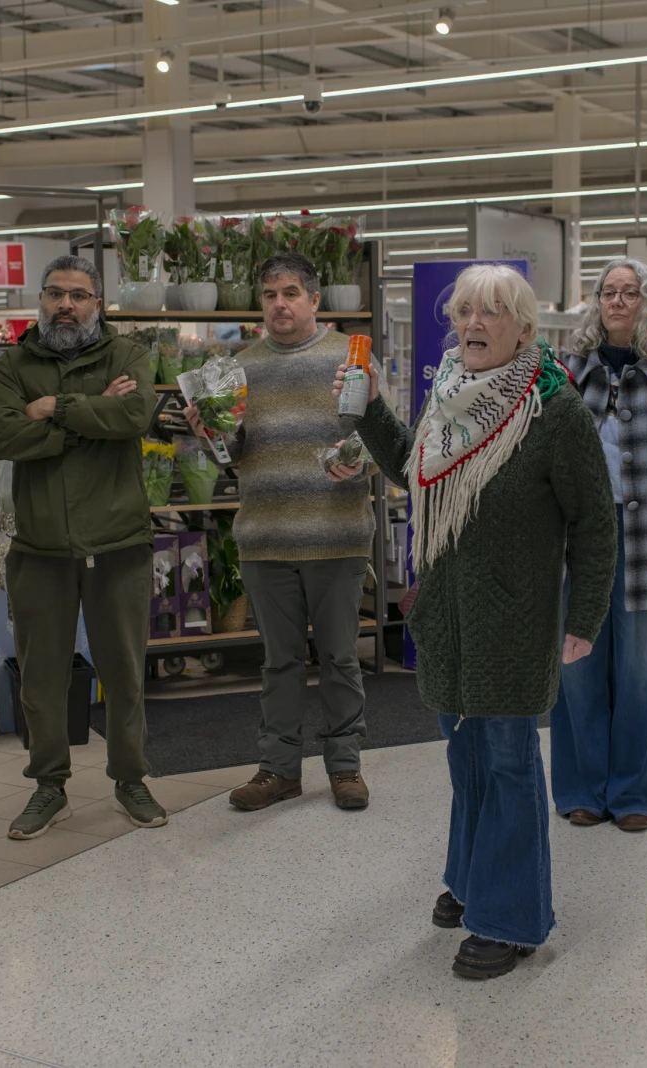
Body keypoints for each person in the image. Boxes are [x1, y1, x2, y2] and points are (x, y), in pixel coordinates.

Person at [331, 263, 615, 979]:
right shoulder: (450, 397)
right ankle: (470, 877)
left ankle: (511, 918)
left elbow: (595, 525)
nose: (474, 324)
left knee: (509, 763)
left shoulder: (556, 413)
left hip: (515, 622)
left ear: (525, 328)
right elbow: (413, 469)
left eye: (492, 312)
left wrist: (585, 615)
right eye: (464, 312)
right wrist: (367, 411)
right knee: (466, 759)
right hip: (450, 616)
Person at [0, 254, 167, 840]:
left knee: (124, 672)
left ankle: (130, 779)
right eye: (55, 293)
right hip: (40, 548)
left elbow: (135, 414)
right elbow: (2, 434)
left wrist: (53, 408)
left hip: (119, 544)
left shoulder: (128, 355)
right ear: (41, 300)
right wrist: (93, 415)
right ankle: (48, 786)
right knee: (40, 678)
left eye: (79, 295)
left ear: (98, 304)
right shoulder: (14, 363)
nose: (66, 304)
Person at [185, 251, 375, 813]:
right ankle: (279, 770)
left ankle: (345, 766)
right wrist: (210, 433)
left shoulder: (351, 357)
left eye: (291, 293)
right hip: (265, 538)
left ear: (314, 300)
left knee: (341, 659)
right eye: (270, 296)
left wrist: (359, 464)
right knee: (278, 663)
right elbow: (234, 454)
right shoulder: (237, 368)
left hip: (337, 536)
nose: (280, 305)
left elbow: (380, 439)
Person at [553, 258, 647, 833]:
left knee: (641, 675)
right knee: (577, 669)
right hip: (580, 543)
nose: (618, 301)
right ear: (596, 304)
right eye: (607, 292)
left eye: (630, 292)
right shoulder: (570, 371)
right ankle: (581, 788)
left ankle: (634, 793)